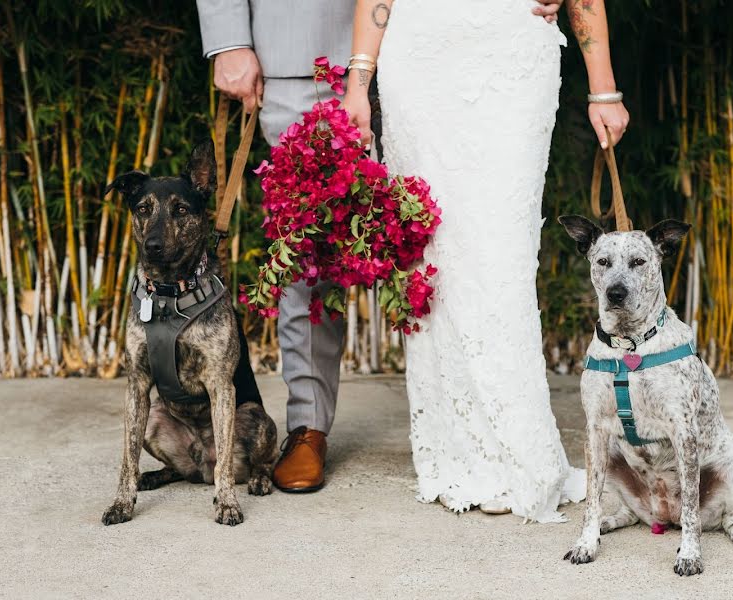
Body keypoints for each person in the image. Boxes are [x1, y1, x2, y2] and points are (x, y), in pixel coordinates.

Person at [196, 0, 566, 495]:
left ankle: (462, 428)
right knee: (310, 247)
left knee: (451, 236)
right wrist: (229, 38)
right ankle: (308, 426)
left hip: (437, 43)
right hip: (301, 52)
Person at [343, 0, 629, 519]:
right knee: (435, 250)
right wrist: (358, 80)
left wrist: (603, 88)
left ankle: (519, 448)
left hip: (511, 54)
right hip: (421, 54)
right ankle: (456, 448)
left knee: (502, 250)